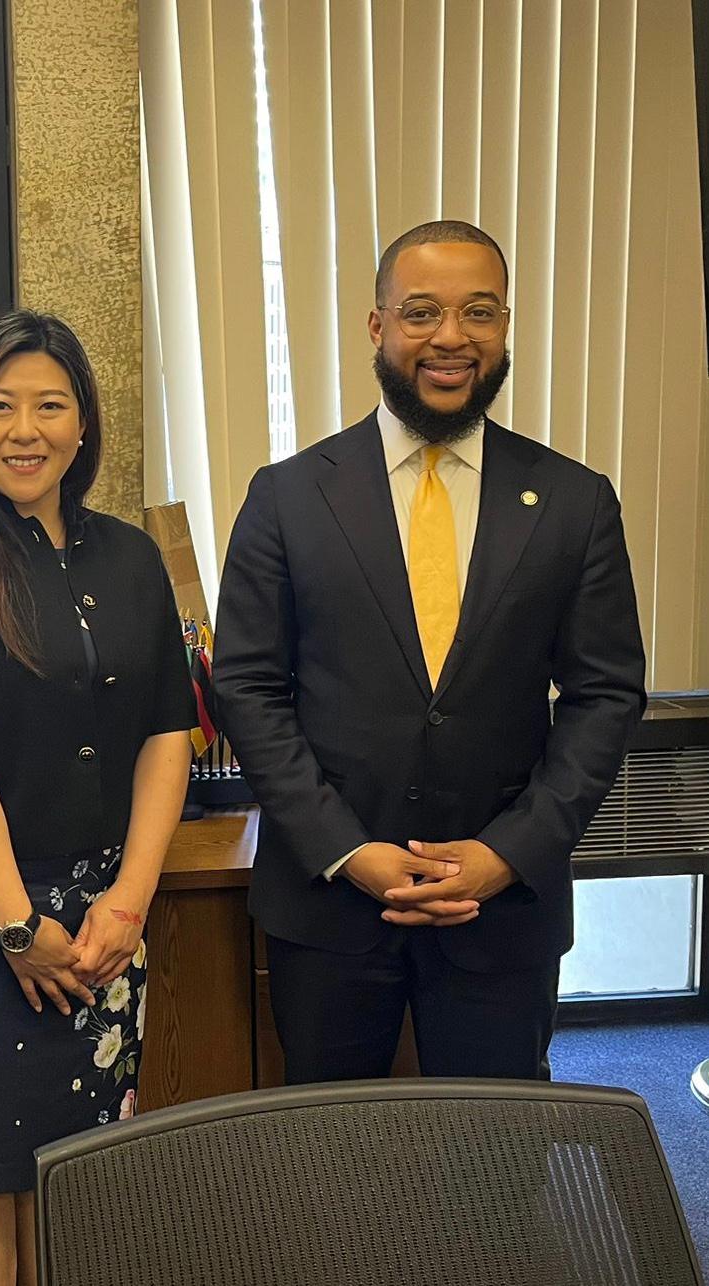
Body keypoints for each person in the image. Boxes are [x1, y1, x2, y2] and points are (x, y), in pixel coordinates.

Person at [212, 220, 646, 1084]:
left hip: (503, 907)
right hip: (330, 902)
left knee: (493, 1169)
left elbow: (605, 697)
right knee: (332, 1160)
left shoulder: (573, 501)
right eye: (422, 313)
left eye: (478, 312)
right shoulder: (288, 496)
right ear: (378, 328)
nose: (451, 338)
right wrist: (348, 850)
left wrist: (507, 854)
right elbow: (249, 689)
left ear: (506, 326)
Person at [0, 310, 195, 1285]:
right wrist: (20, 925)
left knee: (88, 1144)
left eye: (50, 405)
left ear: (84, 423)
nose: (26, 429)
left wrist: (129, 903)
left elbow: (164, 736)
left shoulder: (131, 556)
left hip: (108, 905)